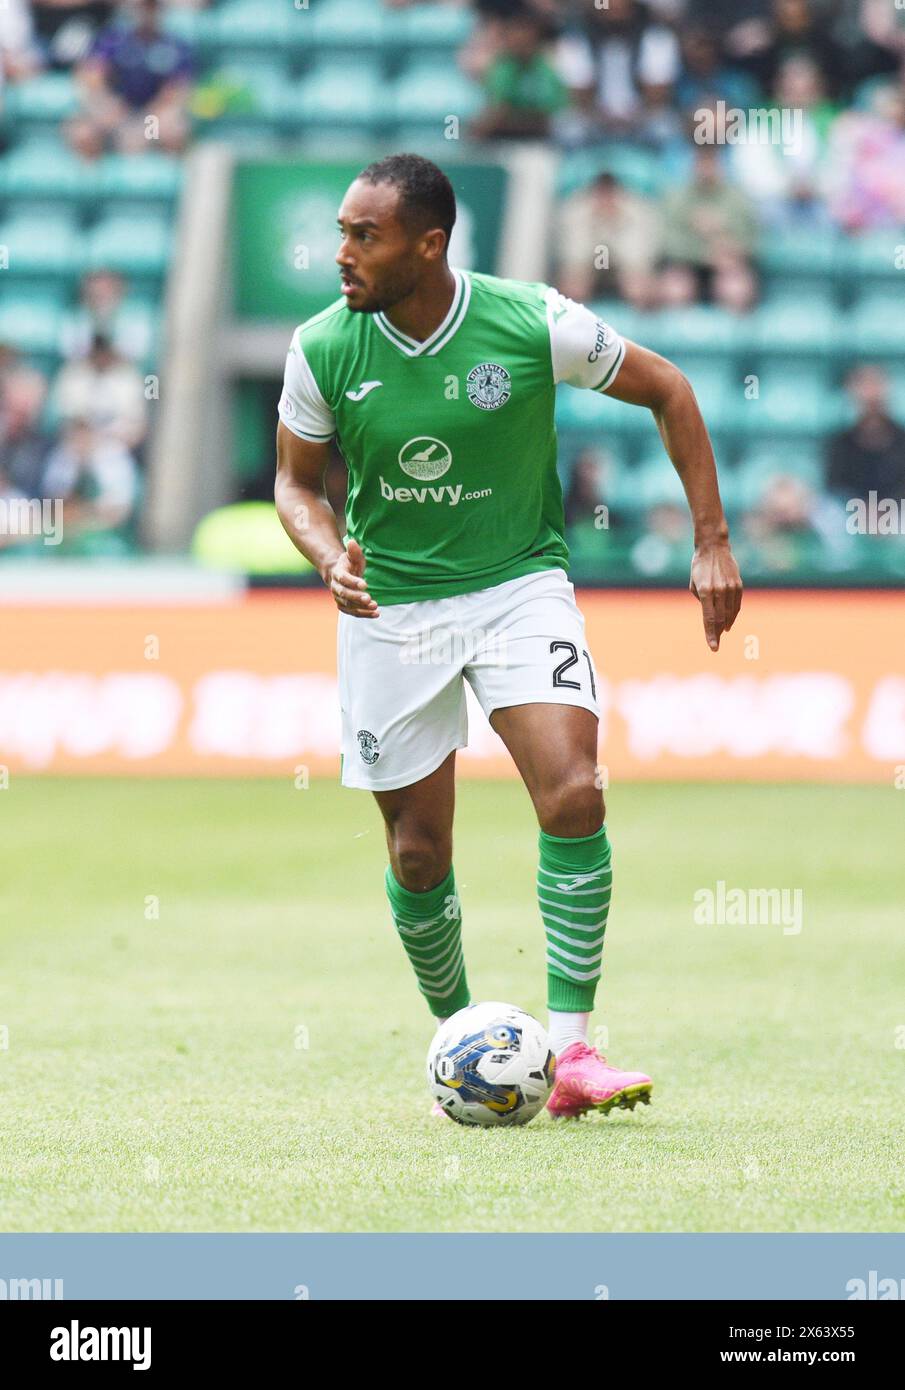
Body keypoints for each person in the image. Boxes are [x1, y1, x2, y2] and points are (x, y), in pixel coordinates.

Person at [274, 154, 742, 1120]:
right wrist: (327, 555)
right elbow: (292, 481)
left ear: (428, 244)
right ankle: (465, 1038)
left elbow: (669, 389)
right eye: (341, 232)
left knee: (573, 791)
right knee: (417, 853)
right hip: (389, 608)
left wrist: (710, 539)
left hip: (517, 588)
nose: (341, 255)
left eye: (364, 236)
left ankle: (568, 1052)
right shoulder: (322, 347)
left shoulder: (531, 321)